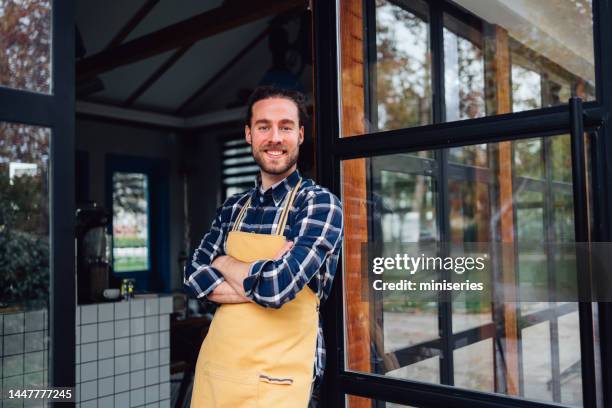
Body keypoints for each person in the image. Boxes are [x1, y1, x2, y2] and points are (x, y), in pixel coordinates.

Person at [183, 86, 343, 407]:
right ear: (248, 134)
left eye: (285, 127)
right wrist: (263, 274)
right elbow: (191, 276)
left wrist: (224, 263)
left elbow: (277, 289)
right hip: (220, 370)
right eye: (263, 126)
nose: (274, 137)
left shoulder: (319, 205)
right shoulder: (232, 208)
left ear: (299, 135)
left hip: (280, 379)